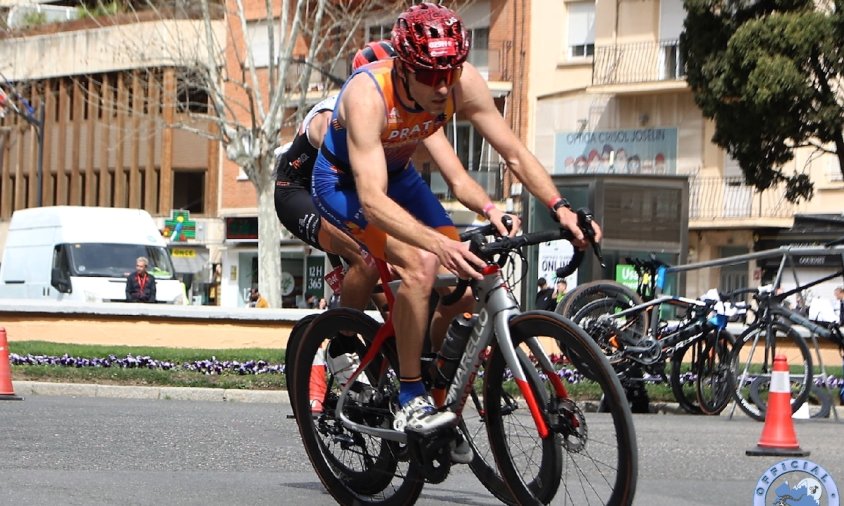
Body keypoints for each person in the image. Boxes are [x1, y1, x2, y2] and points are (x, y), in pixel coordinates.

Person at [312, 2, 602, 434]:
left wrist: (560, 207)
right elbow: (372, 200)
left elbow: (514, 154)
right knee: (420, 262)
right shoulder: (368, 94)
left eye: (450, 72)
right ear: (403, 67)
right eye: (430, 75)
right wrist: (437, 243)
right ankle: (409, 395)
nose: (442, 87)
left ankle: (426, 369)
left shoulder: (460, 83)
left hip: (400, 176)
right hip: (345, 185)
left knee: (466, 286)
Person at [274, 41, 395, 379]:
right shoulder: (332, 115)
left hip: (344, 196)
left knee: (393, 301)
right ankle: (340, 342)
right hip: (298, 194)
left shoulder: (388, 118)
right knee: (363, 256)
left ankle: (383, 377)